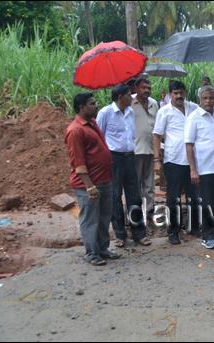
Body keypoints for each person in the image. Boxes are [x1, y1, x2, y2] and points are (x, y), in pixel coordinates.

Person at [65, 93, 120, 266]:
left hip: (104, 180)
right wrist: (89, 186)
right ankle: (91, 253)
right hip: (88, 185)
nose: (96, 106)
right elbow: (78, 162)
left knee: (104, 217)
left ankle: (102, 249)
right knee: (90, 219)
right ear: (81, 107)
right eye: (92, 104)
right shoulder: (75, 130)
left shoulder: (92, 123)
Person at [97, 84, 151, 248]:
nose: (132, 97)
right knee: (115, 196)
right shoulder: (105, 113)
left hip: (130, 157)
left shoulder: (129, 112)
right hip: (114, 159)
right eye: (129, 95)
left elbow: (132, 135)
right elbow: (99, 137)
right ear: (120, 97)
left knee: (134, 196)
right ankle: (120, 235)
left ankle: (139, 234)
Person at [153, 81, 200, 245]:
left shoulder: (193, 107)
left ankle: (194, 227)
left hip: (193, 161)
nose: (179, 96)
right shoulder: (164, 112)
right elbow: (157, 136)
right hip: (173, 160)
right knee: (173, 198)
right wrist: (157, 160)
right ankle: (173, 231)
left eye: (181, 93)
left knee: (194, 196)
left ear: (185, 92)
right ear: (169, 94)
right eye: (175, 93)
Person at [185, 85, 214, 249]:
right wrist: (193, 169)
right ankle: (208, 235)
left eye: (211, 98)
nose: (208, 101)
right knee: (206, 202)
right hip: (204, 168)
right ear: (200, 99)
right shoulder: (194, 117)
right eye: (205, 98)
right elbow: (189, 145)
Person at [131, 77, 160, 233]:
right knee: (135, 185)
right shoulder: (130, 103)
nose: (146, 90)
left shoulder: (154, 103)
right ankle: (135, 214)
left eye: (148, 88)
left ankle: (149, 212)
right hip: (135, 151)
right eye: (143, 88)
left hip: (150, 150)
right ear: (136, 88)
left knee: (149, 184)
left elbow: (157, 127)